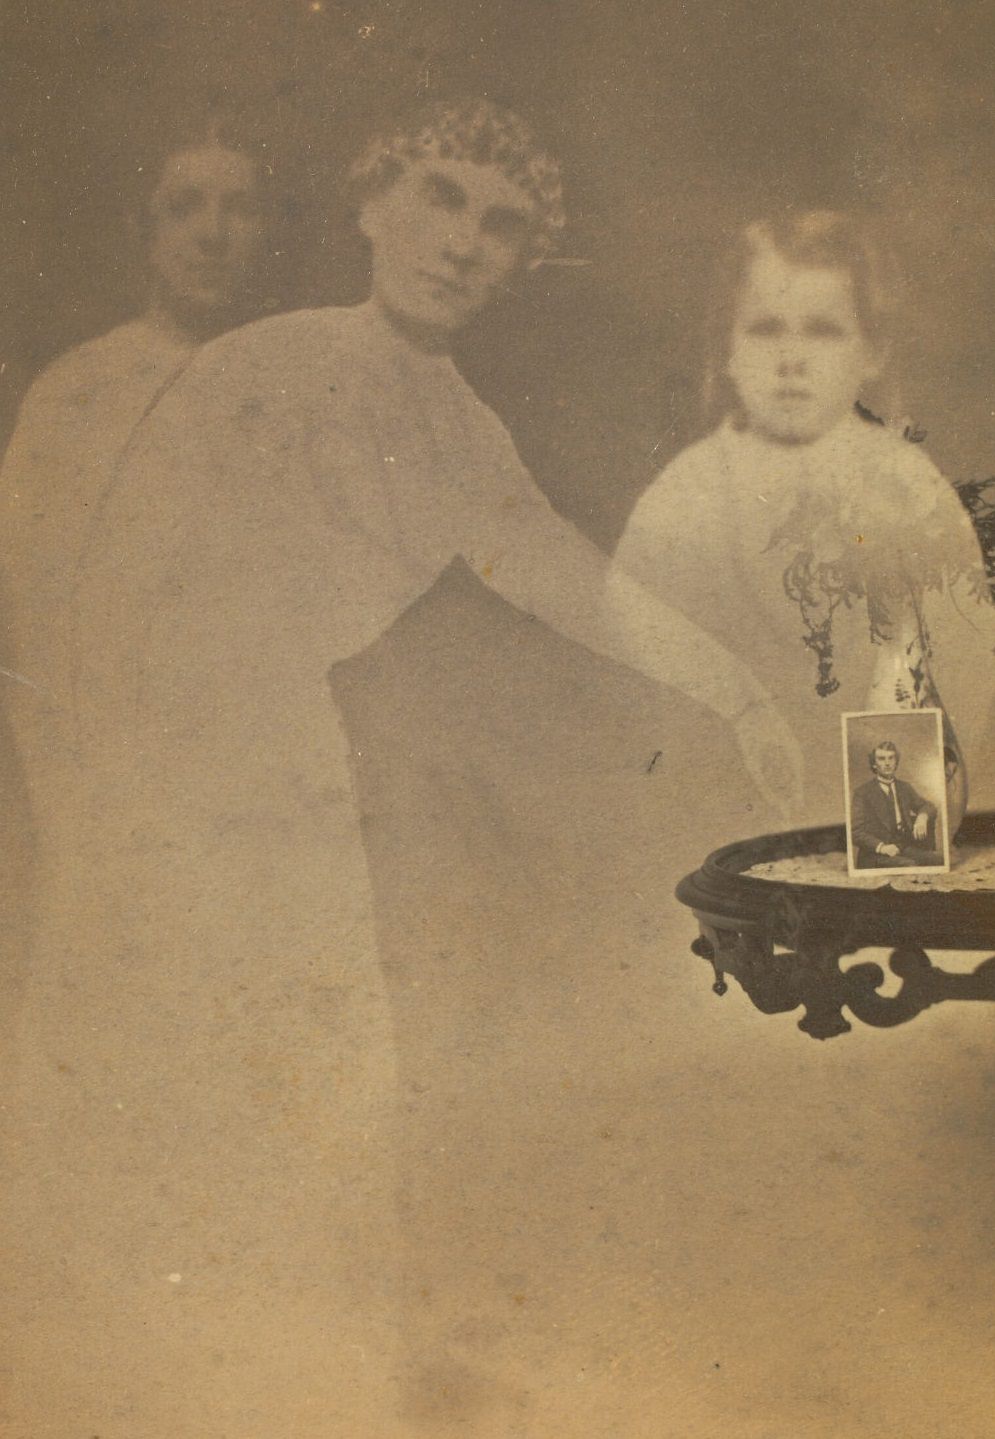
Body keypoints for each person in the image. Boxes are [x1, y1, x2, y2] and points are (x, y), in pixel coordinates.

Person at [1, 99, 801, 1436]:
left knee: (320, 1118)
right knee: (143, 1131)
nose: (461, 245)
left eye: (498, 228)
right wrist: (110, 815)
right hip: (161, 802)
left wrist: (733, 686)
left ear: (514, 263)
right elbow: (106, 610)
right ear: (374, 207)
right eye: (437, 199)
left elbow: (558, 570)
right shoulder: (261, 363)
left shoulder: (457, 421)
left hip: (302, 803)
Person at [610, 210, 995, 830]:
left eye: (822, 331)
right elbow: (637, 667)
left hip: (875, 802)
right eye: (765, 330)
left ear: (873, 352)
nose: (791, 359)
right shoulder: (683, 494)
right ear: (726, 350)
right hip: (723, 800)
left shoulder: (907, 486)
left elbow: (965, 668)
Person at [850, 739, 941, 867]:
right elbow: (855, 832)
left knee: (938, 860)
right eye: (881, 759)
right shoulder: (863, 793)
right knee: (910, 865)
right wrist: (882, 847)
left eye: (891, 758)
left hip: (903, 847)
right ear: (874, 764)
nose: (887, 763)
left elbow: (928, 806)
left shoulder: (904, 788)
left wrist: (922, 817)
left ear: (896, 762)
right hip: (876, 854)